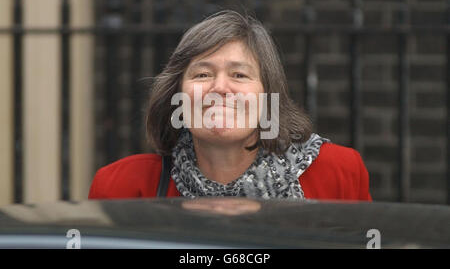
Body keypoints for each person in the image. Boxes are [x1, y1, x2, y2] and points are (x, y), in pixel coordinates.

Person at [88, 10, 372, 201]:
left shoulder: (338, 173)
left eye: (239, 75)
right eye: (202, 74)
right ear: (177, 97)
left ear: (267, 95)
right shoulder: (121, 186)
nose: (220, 88)